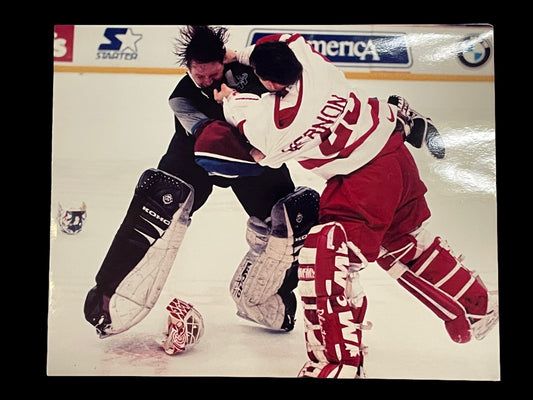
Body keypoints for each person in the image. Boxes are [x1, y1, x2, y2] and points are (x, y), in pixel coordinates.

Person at [211, 33, 498, 378]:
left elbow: (261, 154)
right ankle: (477, 306)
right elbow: (283, 42)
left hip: (363, 181)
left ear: (269, 82)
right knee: (407, 243)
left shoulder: (273, 122)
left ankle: (340, 363)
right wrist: (236, 53)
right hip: (394, 153)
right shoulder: (314, 65)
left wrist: (229, 98)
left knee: (326, 255)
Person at [83, 27, 320, 346]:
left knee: (292, 216)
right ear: (189, 69)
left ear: (223, 60)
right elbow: (211, 138)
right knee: (158, 199)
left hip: (252, 159)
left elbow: (289, 100)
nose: (208, 82)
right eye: (200, 76)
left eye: (213, 74)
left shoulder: (253, 71)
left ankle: (277, 303)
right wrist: (238, 111)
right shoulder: (181, 97)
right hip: (196, 155)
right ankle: (107, 290)